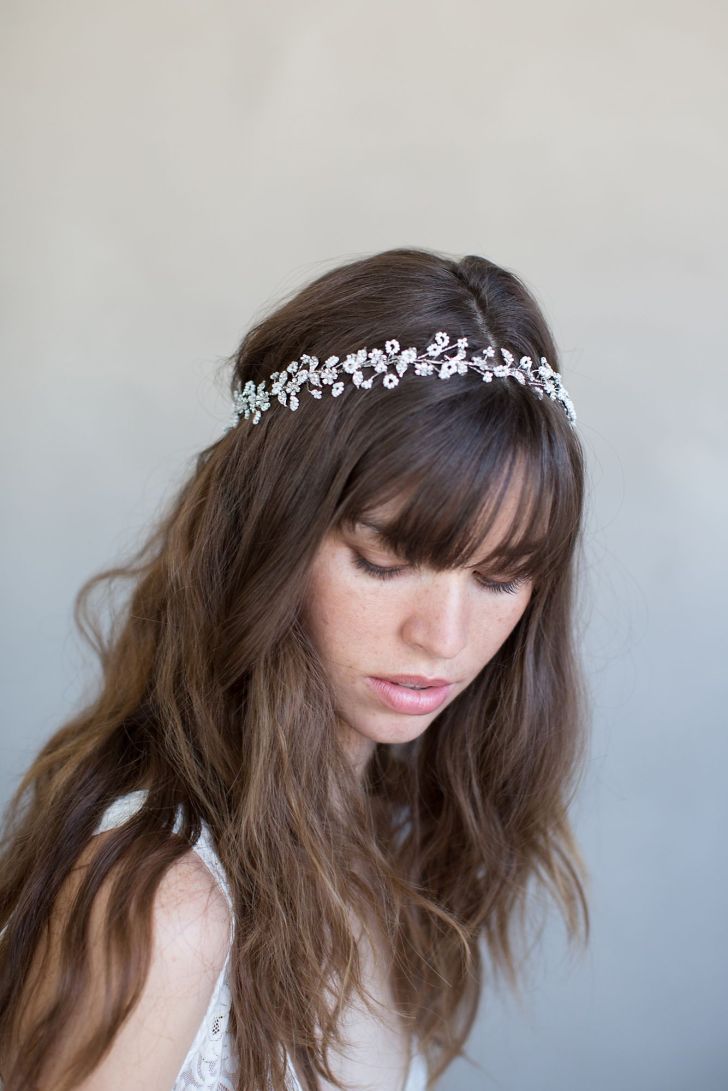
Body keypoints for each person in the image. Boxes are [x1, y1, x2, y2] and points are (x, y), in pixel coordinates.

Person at [0, 246, 589, 1091]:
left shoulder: (369, 838)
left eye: (500, 577)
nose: (444, 636)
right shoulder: (165, 906)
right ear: (267, 538)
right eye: (384, 560)